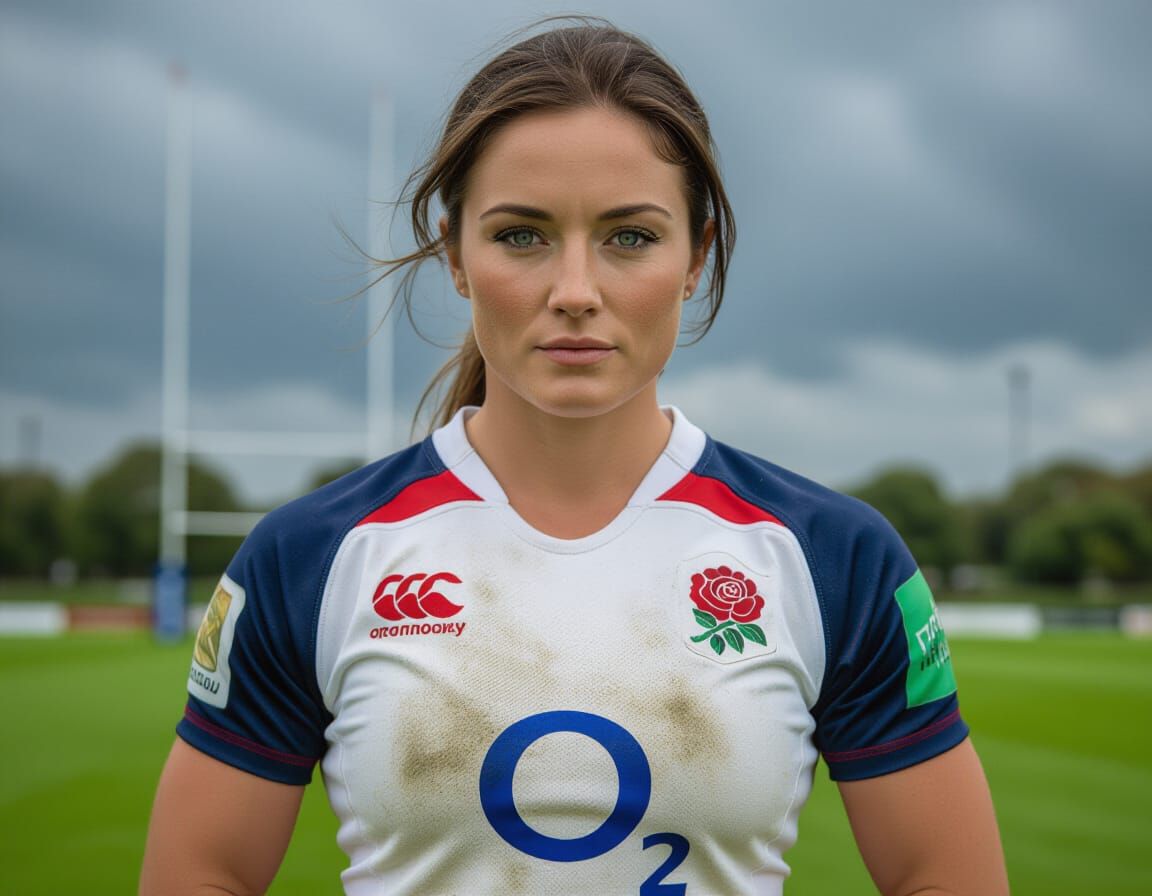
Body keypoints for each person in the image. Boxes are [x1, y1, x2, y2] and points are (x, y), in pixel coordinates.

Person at [140, 17, 1009, 896]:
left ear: (697, 256)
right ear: (455, 255)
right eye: (522, 235)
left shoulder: (834, 560)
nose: (575, 292)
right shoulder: (311, 559)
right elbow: (203, 874)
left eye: (630, 236)